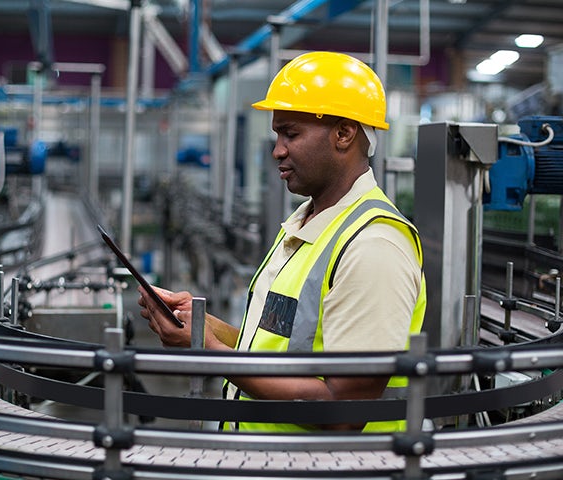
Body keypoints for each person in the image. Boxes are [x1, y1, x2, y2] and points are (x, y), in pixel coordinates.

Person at [139, 51, 426, 433]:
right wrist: (205, 329)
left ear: (344, 133)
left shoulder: (373, 245)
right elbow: (278, 349)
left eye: (291, 133)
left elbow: (345, 410)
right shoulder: (309, 223)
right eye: (277, 134)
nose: (277, 149)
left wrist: (210, 351)